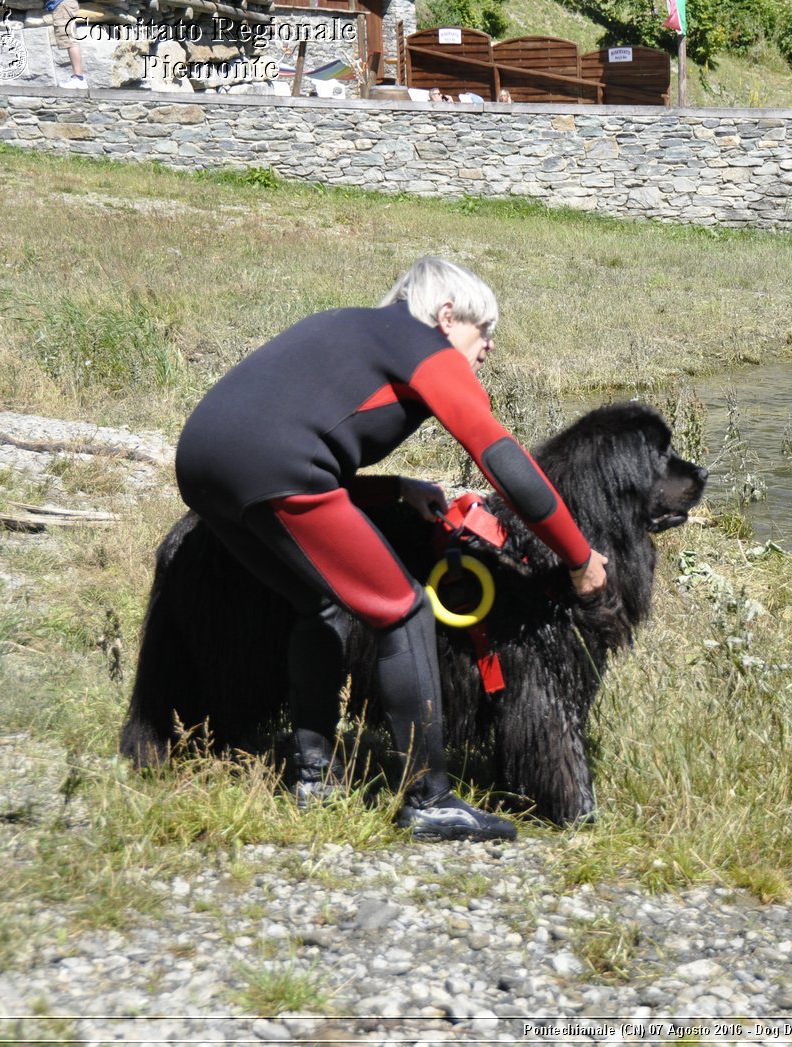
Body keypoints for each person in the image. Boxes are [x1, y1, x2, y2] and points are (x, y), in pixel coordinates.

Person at [173, 257, 608, 842]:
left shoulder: (348, 327)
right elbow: (501, 457)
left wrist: (396, 489)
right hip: (272, 467)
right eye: (485, 334)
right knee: (403, 611)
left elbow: (287, 430)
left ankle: (312, 775)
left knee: (316, 602)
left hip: (201, 462)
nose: (489, 350)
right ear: (447, 316)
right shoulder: (421, 345)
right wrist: (579, 557)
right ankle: (429, 798)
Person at [43, 0, 86, 88]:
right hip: (64, 2)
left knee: (70, 40)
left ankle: (79, 78)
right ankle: (78, 77)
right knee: (69, 39)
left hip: (63, 3)